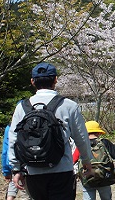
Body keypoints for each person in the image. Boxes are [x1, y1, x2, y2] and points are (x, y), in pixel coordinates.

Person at [8, 62, 94, 200]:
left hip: (32, 170)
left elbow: (13, 140)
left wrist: (16, 169)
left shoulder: (22, 107)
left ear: (32, 81)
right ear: (55, 79)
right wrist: (87, 161)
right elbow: (81, 138)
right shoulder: (69, 105)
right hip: (62, 169)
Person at [76, 121, 115, 200]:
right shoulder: (104, 142)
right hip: (103, 177)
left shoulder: (81, 144)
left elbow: (74, 159)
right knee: (106, 197)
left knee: (88, 196)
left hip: (87, 177)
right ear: (98, 133)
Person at [1, 124, 18, 200]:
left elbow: (5, 151)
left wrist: (6, 171)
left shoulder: (10, 127)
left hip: (13, 164)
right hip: (30, 165)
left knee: (12, 184)